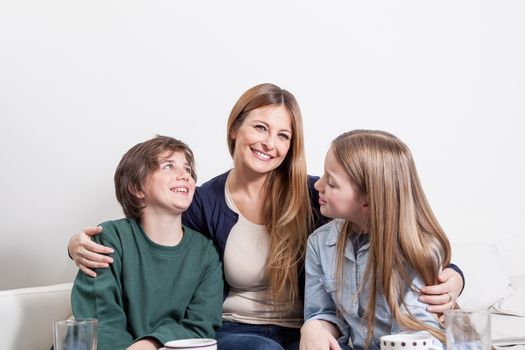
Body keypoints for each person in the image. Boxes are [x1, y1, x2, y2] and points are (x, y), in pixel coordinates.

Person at [68, 84, 464, 350]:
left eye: (283, 135)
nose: (269, 143)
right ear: (235, 129)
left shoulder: (319, 196)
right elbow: (157, 242)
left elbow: (395, 223)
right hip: (235, 333)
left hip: (310, 332)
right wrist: (78, 246)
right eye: (260, 127)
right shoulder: (202, 201)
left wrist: (455, 276)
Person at [300, 130, 454, 350]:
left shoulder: (420, 248)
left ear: (368, 201)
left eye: (332, 183)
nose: (318, 184)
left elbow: (421, 328)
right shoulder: (319, 243)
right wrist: (315, 326)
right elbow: (323, 312)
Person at [71, 136, 223, 350]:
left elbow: (201, 324)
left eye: (188, 169)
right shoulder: (108, 239)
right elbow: (98, 317)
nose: (185, 176)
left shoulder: (206, 252)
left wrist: (150, 343)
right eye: (169, 166)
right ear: (137, 187)